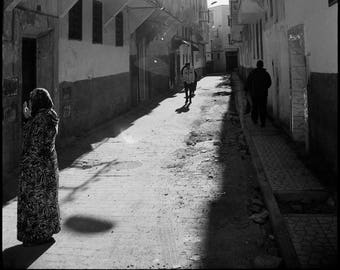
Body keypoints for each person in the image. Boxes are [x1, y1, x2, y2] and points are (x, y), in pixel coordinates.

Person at [18, 88, 61, 246]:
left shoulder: (39, 119)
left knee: (35, 201)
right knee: (47, 199)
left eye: (32, 100)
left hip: (35, 169)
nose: (30, 103)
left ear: (38, 101)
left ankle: (36, 236)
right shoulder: (51, 115)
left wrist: (27, 119)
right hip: (48, 165)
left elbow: (32, 142)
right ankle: (47, 231)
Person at [245, 60, 272, 127]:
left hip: (254, 94)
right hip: (263, 94)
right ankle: (263, 123)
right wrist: (264, 88)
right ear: (262, 65)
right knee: (263, 108)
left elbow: (248, 82)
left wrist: (247, 89)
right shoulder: (266, 74)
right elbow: (269, 83)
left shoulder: (252, 73)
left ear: (257, 65)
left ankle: (255, 120)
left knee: (255, 107)